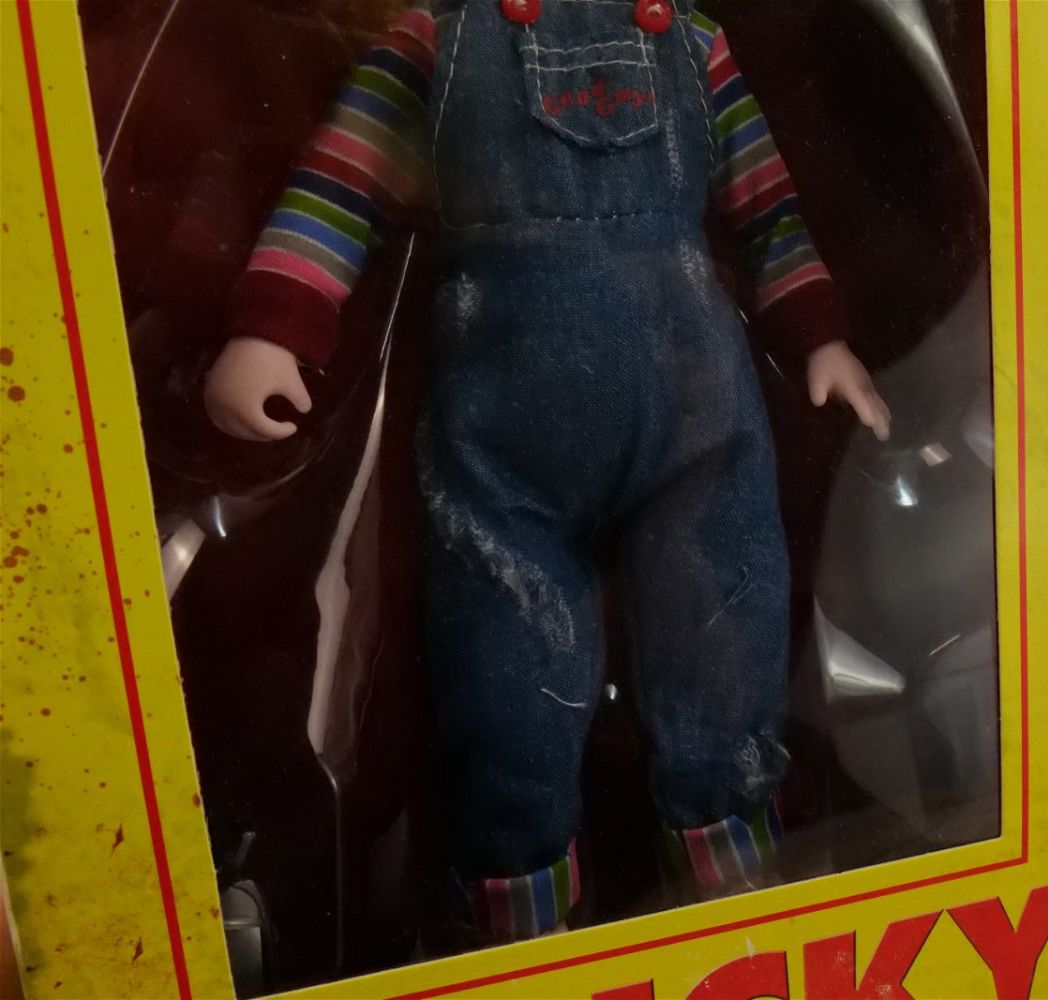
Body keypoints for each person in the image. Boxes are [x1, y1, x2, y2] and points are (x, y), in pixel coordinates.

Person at [203, 0, 888, 942]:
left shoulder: (695, 41)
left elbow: (769, 207)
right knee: (503, 674)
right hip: (503, 424)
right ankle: (517, 908)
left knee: (726, 634)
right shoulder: (436, 37)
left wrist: (819, 337)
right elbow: (341, 179)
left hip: (697, 418)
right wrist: (275, 325)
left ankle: (734, 865)